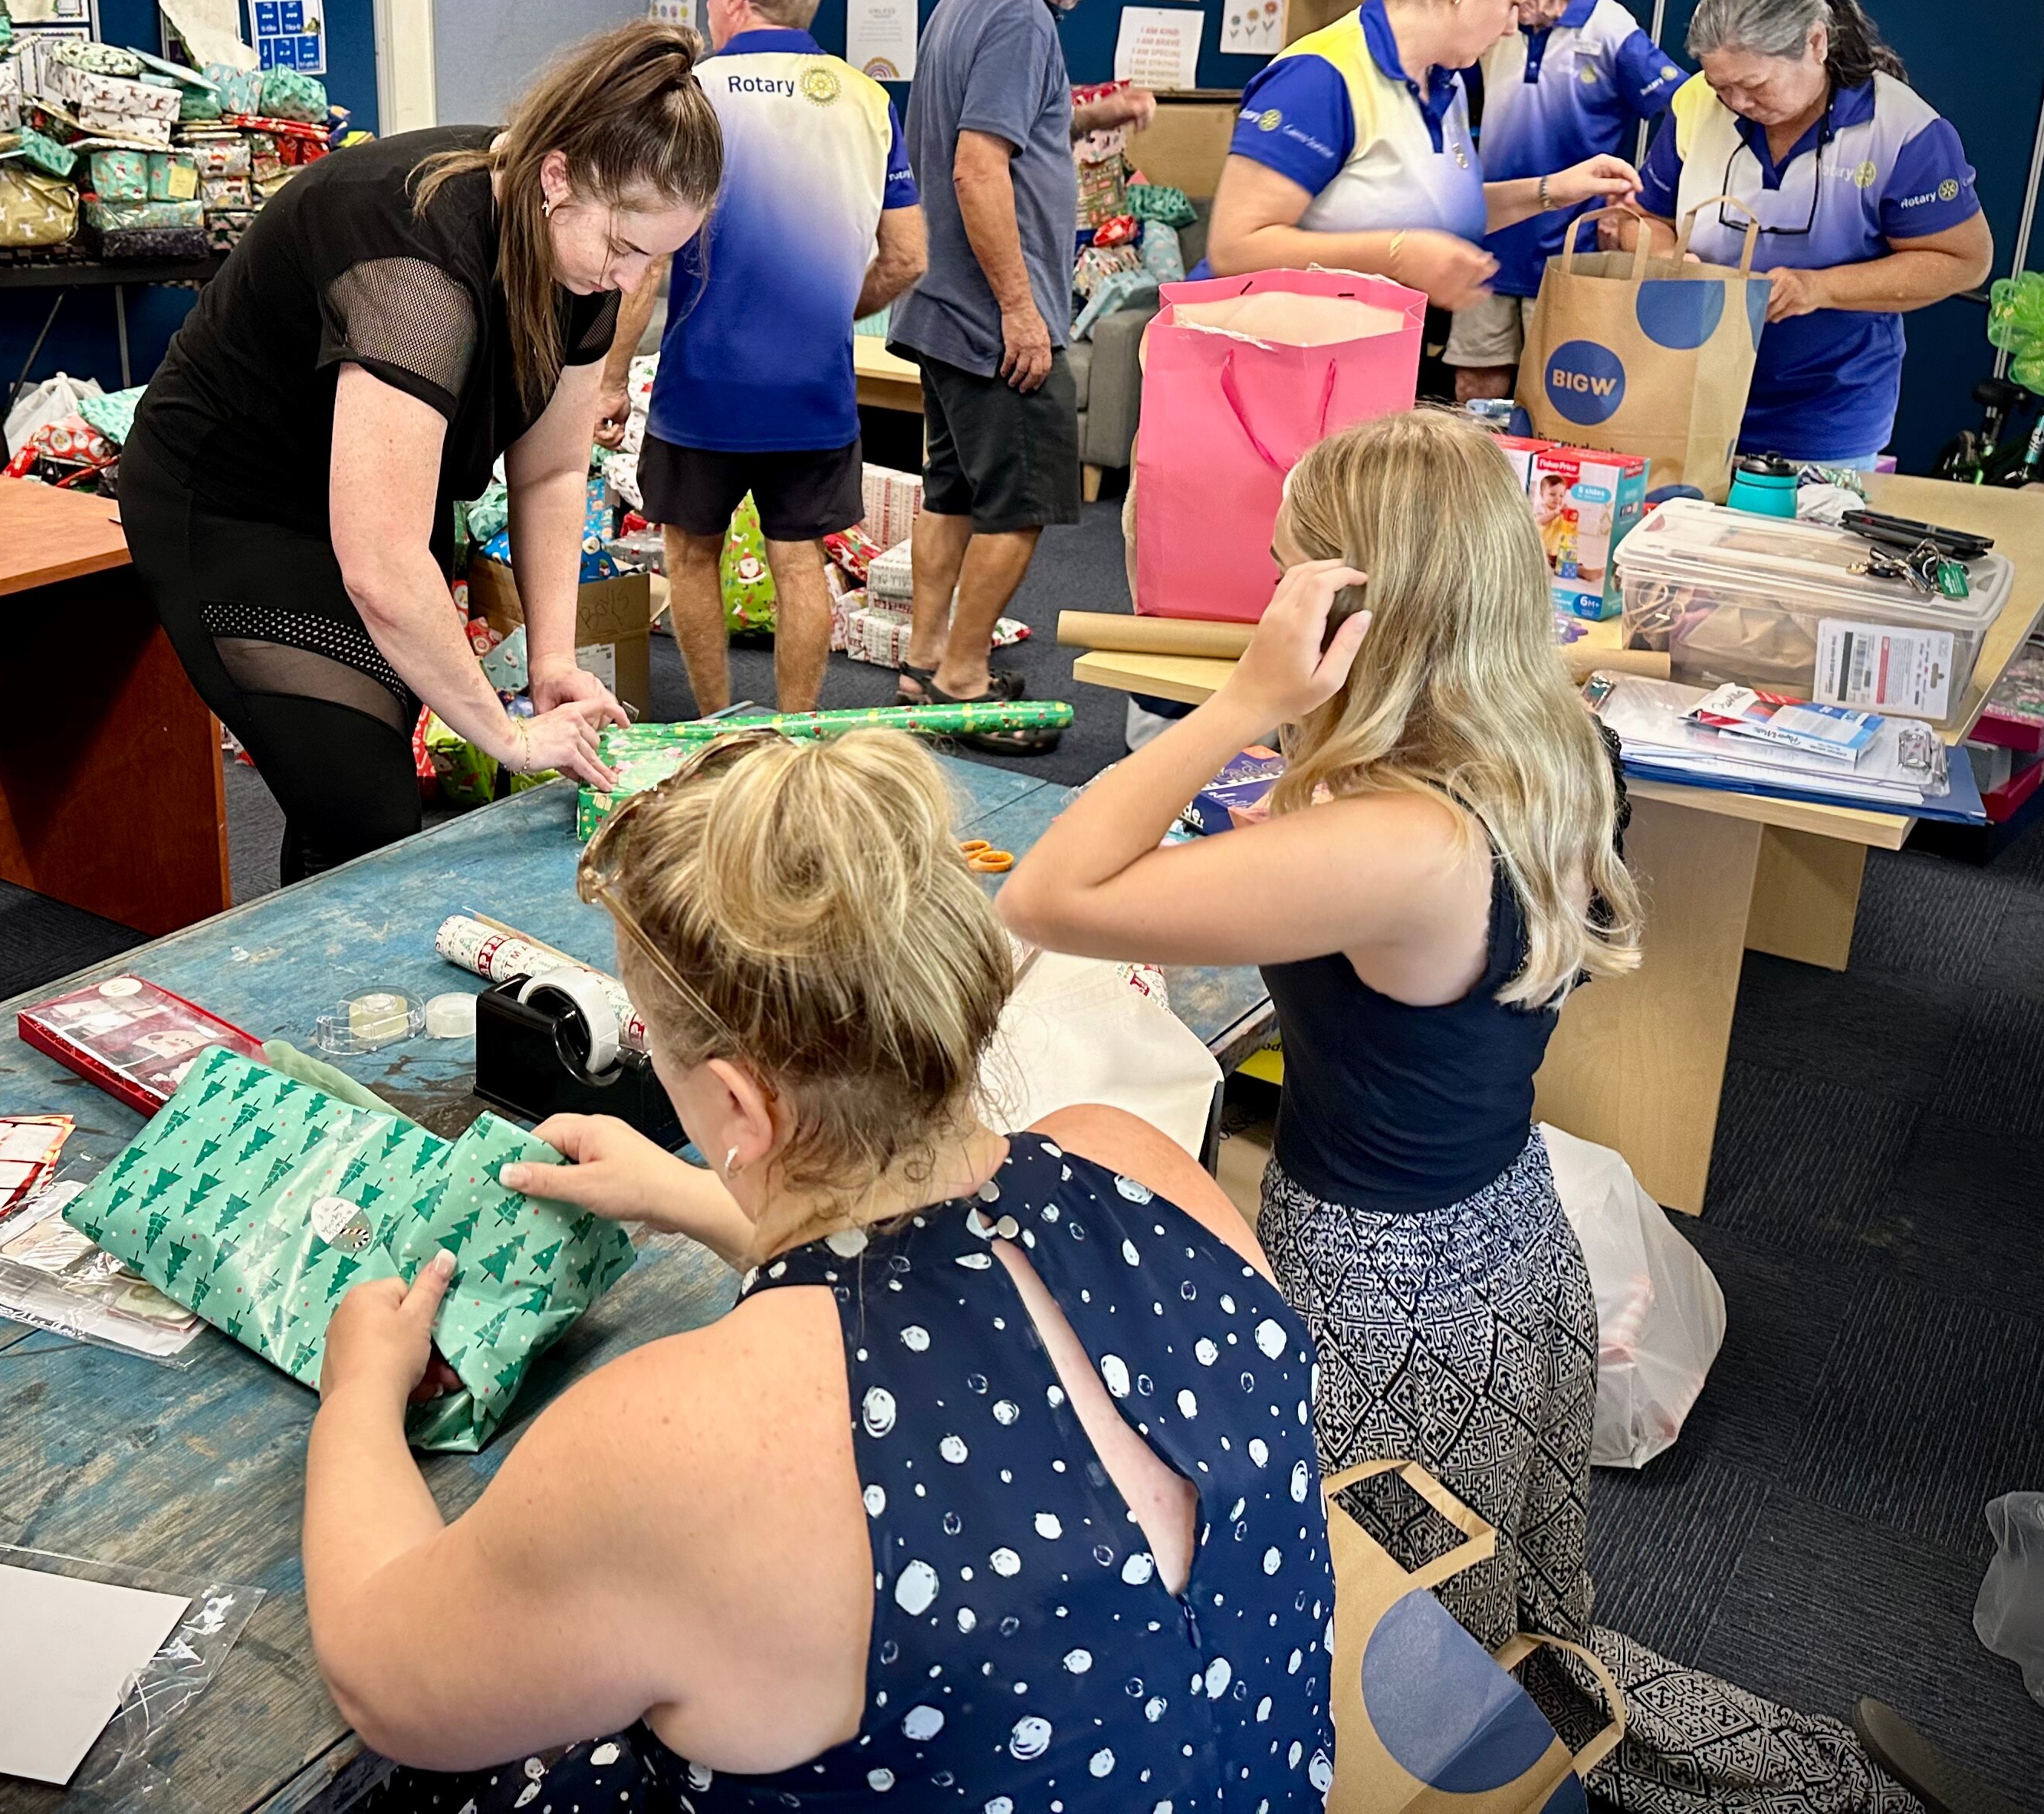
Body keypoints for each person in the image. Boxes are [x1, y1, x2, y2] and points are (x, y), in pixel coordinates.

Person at [1001, 406, 1908, 1814]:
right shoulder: (1549, 734)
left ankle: (1639, 1783)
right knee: (1505, 1591)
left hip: (1387, 1286)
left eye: (1291, 568)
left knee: (1394, 1614)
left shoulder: (1392, 840)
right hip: (1504, 1230)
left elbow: (1043, 893)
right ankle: (1597, 1758)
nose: (1266, 588)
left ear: (1365, 603)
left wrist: (1241, 704)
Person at [304, 725, 1336, 1812]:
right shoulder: (1140, 1167)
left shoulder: (675, 1455)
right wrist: (692, 1196)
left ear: (743, 1105)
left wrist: (361, 1395)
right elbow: (962, 1321)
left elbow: (389, 1682)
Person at [117, 21, 720, 881]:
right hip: (233, 506)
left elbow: (548, 471)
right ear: (557, 178)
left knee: (365, 764)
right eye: (624, 249)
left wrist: (551, 662)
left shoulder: (576, 257)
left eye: (652, 260)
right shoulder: (417, 258)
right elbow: (378, 560)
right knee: (363, 806)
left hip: (377, 502)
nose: (629, 282)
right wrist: (508, 737)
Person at [596, 0, 925, 715]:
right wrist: (829, 313)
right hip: (812, 388)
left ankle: (717, 727)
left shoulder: (687, 100)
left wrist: (610, 379)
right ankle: (796, 736)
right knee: (799, 561)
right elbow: (909, 257)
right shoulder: (868, 100)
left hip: (702, 385)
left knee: (691, 555)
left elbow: (646, 262)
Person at [889, 0, 1154, 748]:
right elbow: (977, 166)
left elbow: (1014, 127)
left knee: (952, 493)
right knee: (1026, 502)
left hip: (939, 304)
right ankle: (964, 678)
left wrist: (1094, 117)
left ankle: (926, 662)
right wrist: (1020, 310)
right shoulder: (1019, 16)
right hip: (988, 318)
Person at [1208, 0, 1639, 320]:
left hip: (1350, 355)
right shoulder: (1321, 77)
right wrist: (1399, 254)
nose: (1512, 26)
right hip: (1252, 359)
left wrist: (1552, 190)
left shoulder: (1445, 80)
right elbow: (1236, 248)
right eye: (1513, 3)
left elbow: (1425, 212)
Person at [1600, 0, 1990, 471]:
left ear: (1815, 44)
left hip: (1825, 410)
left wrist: (1818, 289)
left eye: (1755, 86)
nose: (1738, 103)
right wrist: (1674, 257)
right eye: (1723, 87)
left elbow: (1964, 260)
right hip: (1686, 391)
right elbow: (1642, 216)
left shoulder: (1903, 129)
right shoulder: (1697, 104)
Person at [1452, 0, 1689, 402]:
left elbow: (1686, 108)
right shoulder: (1497, 20)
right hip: (1489, 236)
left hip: (1567, 245)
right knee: (1475, 381)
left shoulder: (1609, 28)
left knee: (1551, 391)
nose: (1515, 1)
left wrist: (1637, 197)